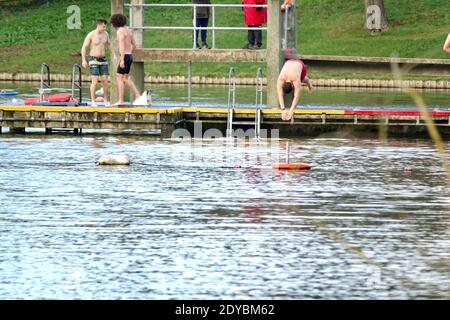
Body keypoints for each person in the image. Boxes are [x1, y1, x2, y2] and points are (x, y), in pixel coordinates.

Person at [81, 18, 116, 107]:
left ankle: (105, 100)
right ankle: (93, 101)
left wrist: (114, 55)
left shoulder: (105, 34)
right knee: (95, 81)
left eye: (105, 26)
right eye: (103, 26)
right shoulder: (91, 35)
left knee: (105, 81)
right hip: (93, 59)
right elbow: (84, 47)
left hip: (103, 59)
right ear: (99, 25)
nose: (105, 28)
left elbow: (109, 45)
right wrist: (84, 60)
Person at [110, 14, 142, 106]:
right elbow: (134, 45)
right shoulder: (128, 30)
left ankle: (121, 100)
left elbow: (121, 46)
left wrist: (122, 59)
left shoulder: (120, 31)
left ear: (115, 22)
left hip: (125, 57)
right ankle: (137, 95)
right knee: (125, 78)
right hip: (129, 56)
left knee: (119, 77)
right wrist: (128, 54)